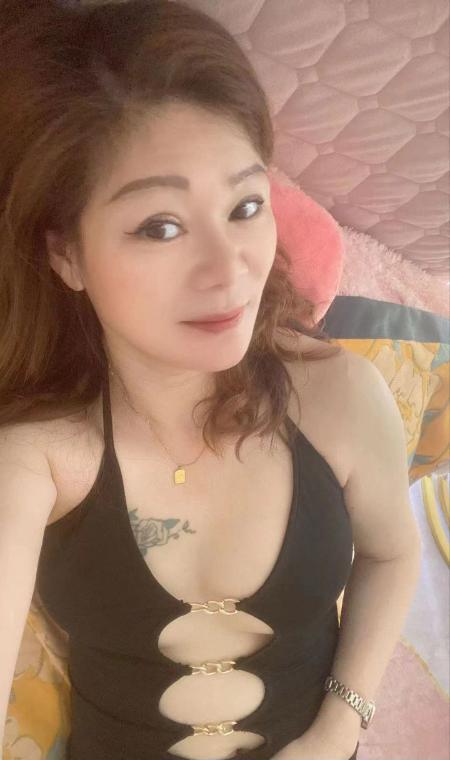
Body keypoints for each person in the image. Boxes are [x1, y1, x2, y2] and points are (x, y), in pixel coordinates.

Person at [0, 1, 365, 758]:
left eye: (246, 206)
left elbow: (394, 555)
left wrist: (338, 730)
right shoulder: (38, 457)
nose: (229, 270)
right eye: (160, 226)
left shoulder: (340, 396)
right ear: (67, 254)